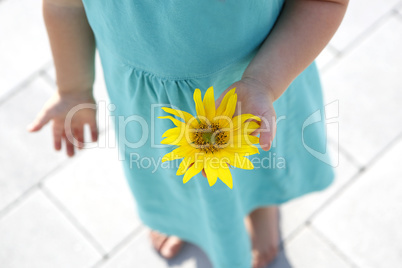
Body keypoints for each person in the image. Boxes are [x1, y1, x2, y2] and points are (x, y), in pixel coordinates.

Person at [28, 0, 348, 267]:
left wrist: (263, 82)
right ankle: (183, 218)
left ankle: (262, 207)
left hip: (261, 75)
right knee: (173, 173)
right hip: (151, 102)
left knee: (258, 159)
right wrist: (74, 88)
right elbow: (64, 5)